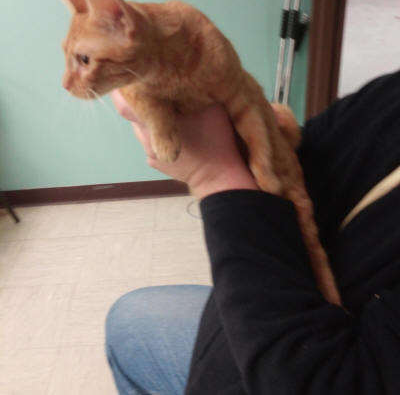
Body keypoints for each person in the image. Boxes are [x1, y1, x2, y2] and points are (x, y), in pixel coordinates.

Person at [105, 70, 400, 395]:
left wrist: (213, 175)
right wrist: (250, 140)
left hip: (293, 366)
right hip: (261, 325)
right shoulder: (391, 93)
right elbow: (311, 151)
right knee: (130, 321)